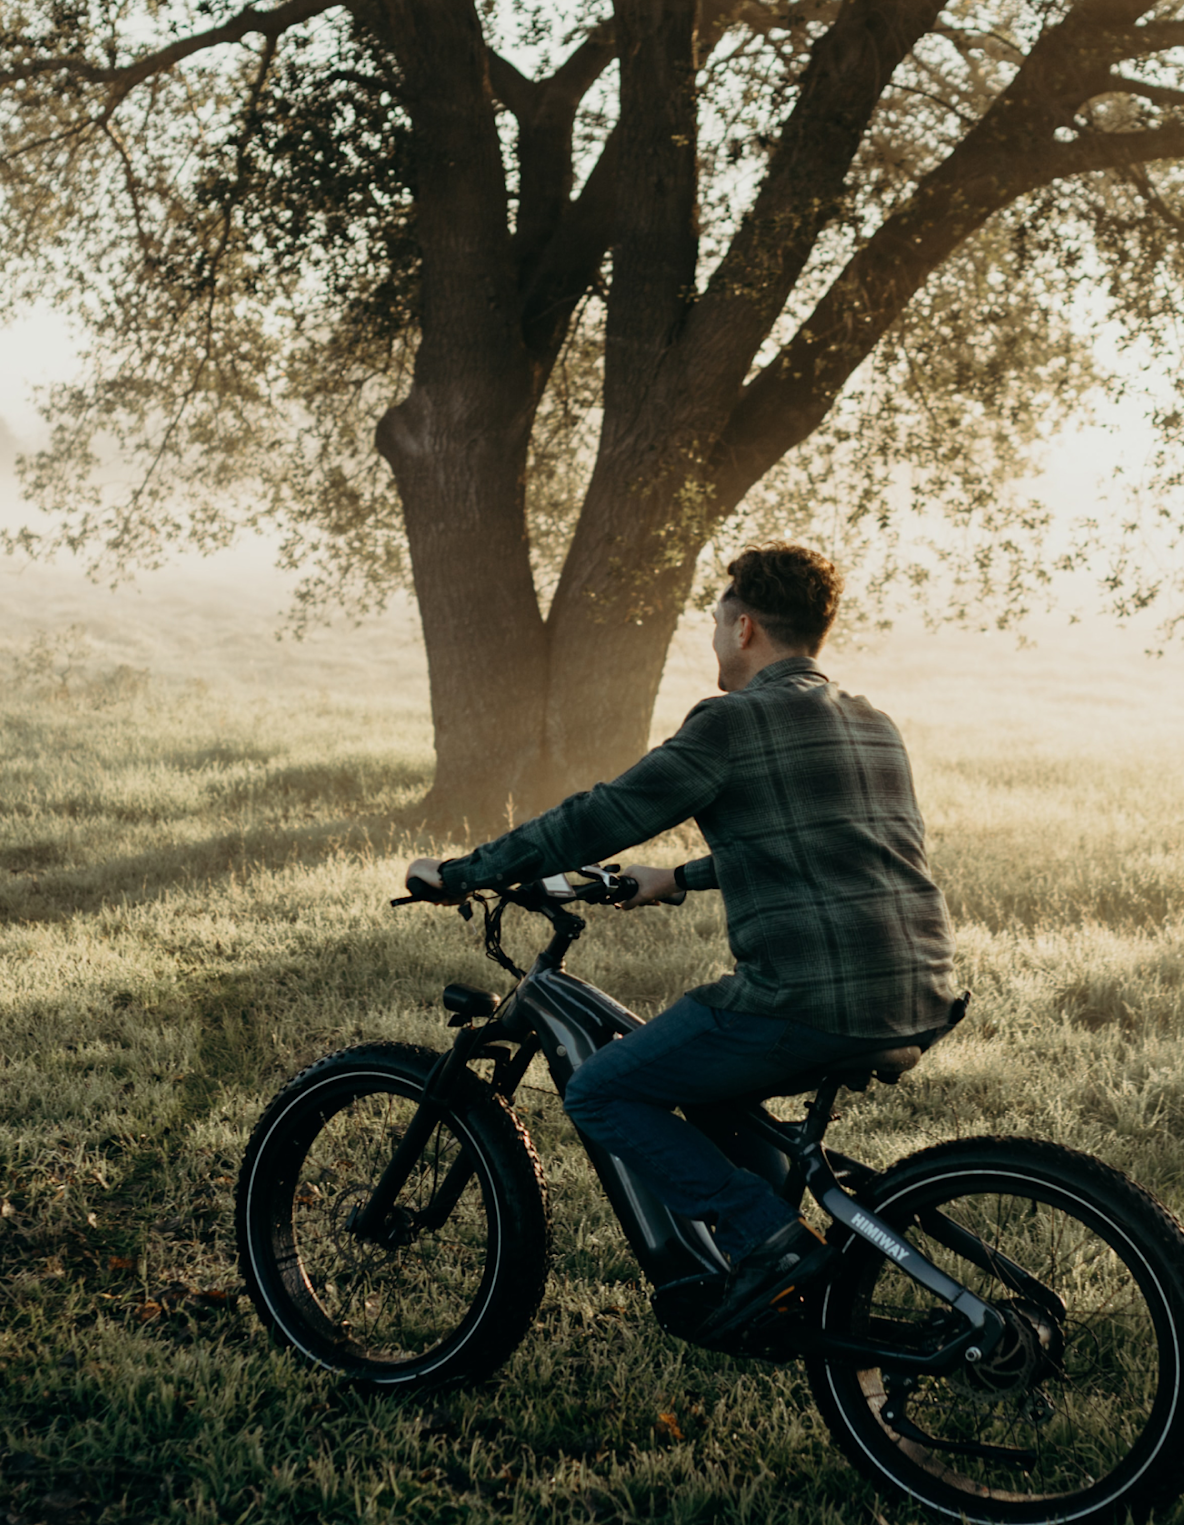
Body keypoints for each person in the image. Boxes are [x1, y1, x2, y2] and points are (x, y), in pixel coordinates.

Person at [406, 544, 961, 1341]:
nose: (712, 644)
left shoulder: (733, 721)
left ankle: (767, 1244)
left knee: (601, 1088)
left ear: (742, 629)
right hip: (916, 984)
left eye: (714, 626)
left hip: (806, 997)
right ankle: (764, 1280)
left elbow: (597, 817)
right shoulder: (872, 720)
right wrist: (681, 877)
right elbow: (826, 842)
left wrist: (465, 871)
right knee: (708, 1085)